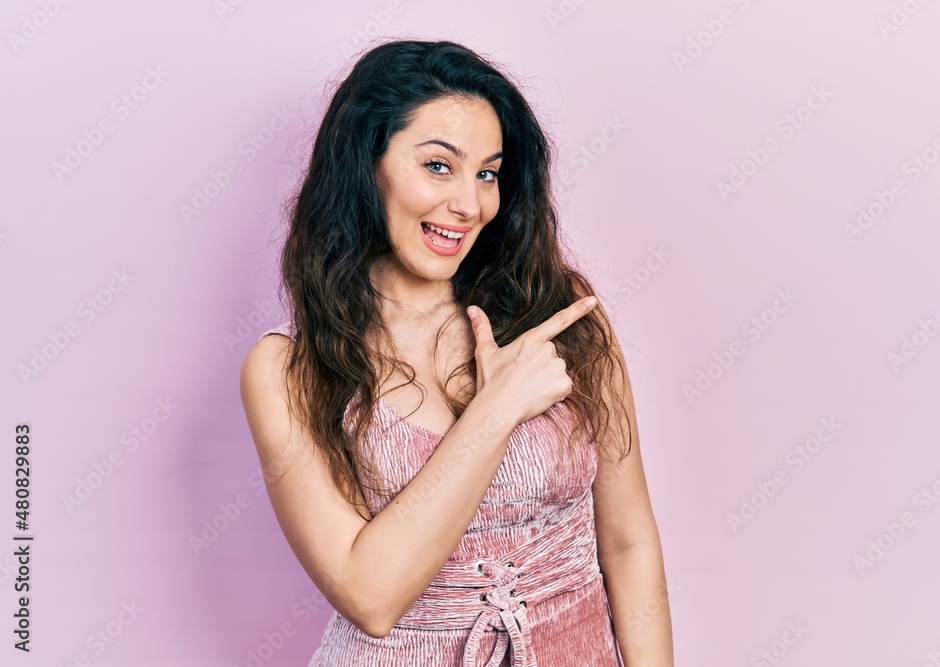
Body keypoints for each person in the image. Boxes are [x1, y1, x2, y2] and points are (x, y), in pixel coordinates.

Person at [239, 39, 673, 666]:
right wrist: (495, 411)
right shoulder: (286, 369)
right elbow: (370, 596)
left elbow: (629, 542)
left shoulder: (560, 315)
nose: (470, 205)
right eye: (439, 166)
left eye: (487, 173)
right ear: (366, 165)